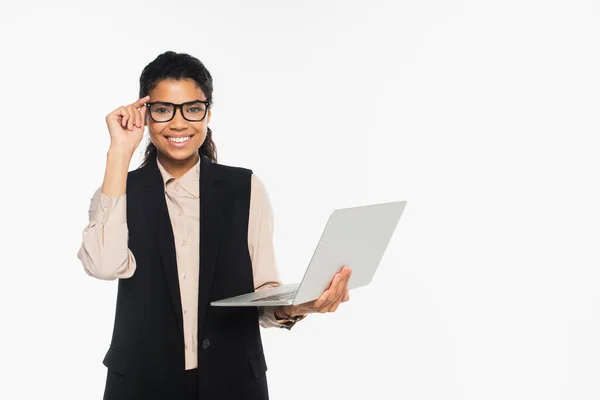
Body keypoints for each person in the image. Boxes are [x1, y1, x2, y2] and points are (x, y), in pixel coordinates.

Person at [77, 51, 352, 400]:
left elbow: (263, 292)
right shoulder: (120, 190)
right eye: (163, 110)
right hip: (142, 384)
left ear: (208, 112)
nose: (179, 123)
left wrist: (299, 306)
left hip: (234, 382)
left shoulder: (244, 188)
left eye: (193, 108)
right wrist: (119, 152)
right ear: (145, 115)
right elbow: (103, 265)